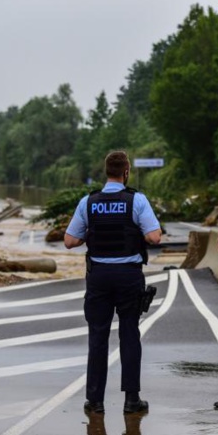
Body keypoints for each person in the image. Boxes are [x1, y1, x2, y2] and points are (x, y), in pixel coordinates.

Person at [64, 150, 162, 414]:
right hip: (129, 277)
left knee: (98, 336)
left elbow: (69, 241)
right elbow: (154, 238)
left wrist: (91, 232)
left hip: (98, 278)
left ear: (106, 172)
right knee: (130, 334)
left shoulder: (89, 202)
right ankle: (132, 400)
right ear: (126, 171)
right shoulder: (137, 200)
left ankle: (95, 401)